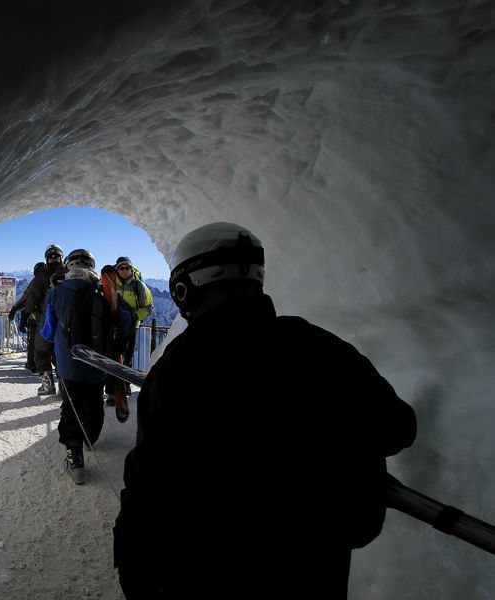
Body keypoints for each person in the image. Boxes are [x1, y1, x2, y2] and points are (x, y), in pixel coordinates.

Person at [113, 222, 417, 598]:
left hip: (211, 572)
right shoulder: (320, 347)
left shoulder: (180, 369)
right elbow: (398, 428)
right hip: (316, 568)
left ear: (183, 287)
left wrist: (134, 569)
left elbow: (150, 485)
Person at [44, 249, 130, 484]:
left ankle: (75, 459)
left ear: (68, 267)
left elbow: (47, 330)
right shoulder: (104, 290)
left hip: (69, 362)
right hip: (97, 361)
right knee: (94, 400)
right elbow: (125, 319)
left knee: (70, 406)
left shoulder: (58, 292)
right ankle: (90, 438)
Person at [23, 244, 68, 396]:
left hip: (46, 320)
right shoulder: (70, 272)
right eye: (51, 257)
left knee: (41, 352)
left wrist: (25, 314)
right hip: (66, 321)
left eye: (54, 257)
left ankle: (48, 385)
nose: (53, 259)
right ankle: (64, 386)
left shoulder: (42, 275)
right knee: (61, 353)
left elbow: (33, 296)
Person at [111, 256, 153, 376]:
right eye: (121, 268)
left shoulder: (138, 285)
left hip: (131, 327)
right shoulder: (111, 283)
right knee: (113, 356)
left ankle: (126, 383)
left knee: (127, 356)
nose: (125, 271)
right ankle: (113, 384)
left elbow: (148, 307)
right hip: (114, 325)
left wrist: (133, 317)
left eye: (127, 268)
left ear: (131, 269)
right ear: (116, 269)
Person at [8, 262, 47, 371]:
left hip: (35, 316)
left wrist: (16, 309)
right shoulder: (53, 277)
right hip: (51, 316)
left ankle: (32, 364)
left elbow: (27, 297)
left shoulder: (37, 281)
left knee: (33, 342)